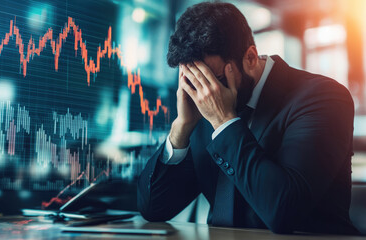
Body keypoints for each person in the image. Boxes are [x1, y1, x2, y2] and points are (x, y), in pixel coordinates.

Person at [137, 2, 360, 235]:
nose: (206, 94)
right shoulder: (202, 108)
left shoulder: (323, 98)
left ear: (251, 58)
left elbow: (285, 211)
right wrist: (180, 128)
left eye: (213, 81)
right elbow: (154, 208)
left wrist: (224, 121)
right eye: (195, 82)